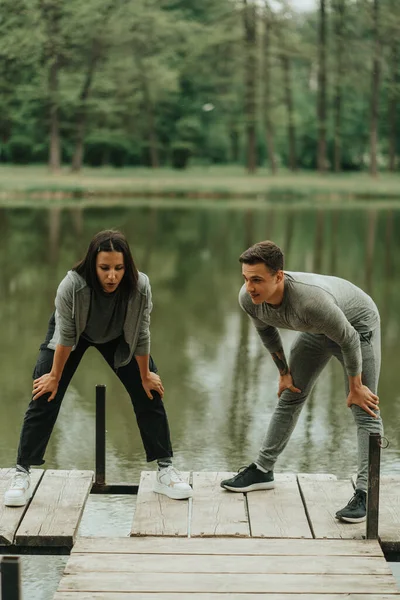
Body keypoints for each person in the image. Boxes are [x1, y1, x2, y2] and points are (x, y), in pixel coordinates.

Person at [4, 229, 192, 506]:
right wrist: (54, 376)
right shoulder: (72, 286)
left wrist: (145, 375)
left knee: (148, 390)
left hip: (118, 335)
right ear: (93, 265)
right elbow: (67, 336)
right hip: (73, 334)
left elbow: (141, 333)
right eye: (105, 268)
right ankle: (22, 473)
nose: (112, 276)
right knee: (45, 390)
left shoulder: (140, 286)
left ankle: (165, 471)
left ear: (126, 266)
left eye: (118, 268)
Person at [220, 240, 383, 523]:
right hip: (317, 331)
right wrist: (283, 372)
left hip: (356, 329)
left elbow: (349, 338)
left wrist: (356, 386)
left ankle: (366, 494)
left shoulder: (310, 301)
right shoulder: (250, 299)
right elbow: (267, 334)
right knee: (291, 393)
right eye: (246, 279)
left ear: (279, 276)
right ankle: (263, 469)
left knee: (364, 408)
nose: (250, 287)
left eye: (257, 280)